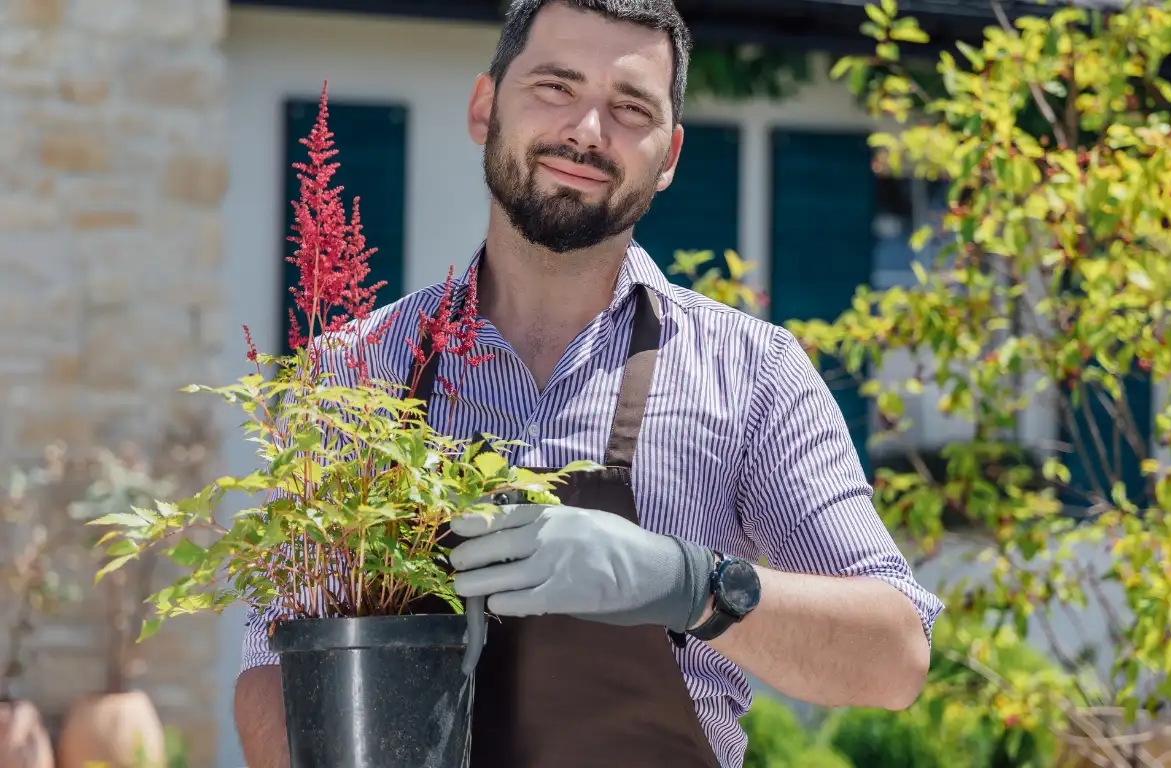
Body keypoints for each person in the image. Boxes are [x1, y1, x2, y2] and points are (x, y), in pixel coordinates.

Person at [233, 1, 944, 766]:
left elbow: (895, 655)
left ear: (669, 156)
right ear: (485, 108)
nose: (587, 131)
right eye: (555, 87)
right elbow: (273, 668)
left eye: (629, 107)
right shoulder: (355, 371)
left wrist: (685, 583)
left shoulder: (752, 374)